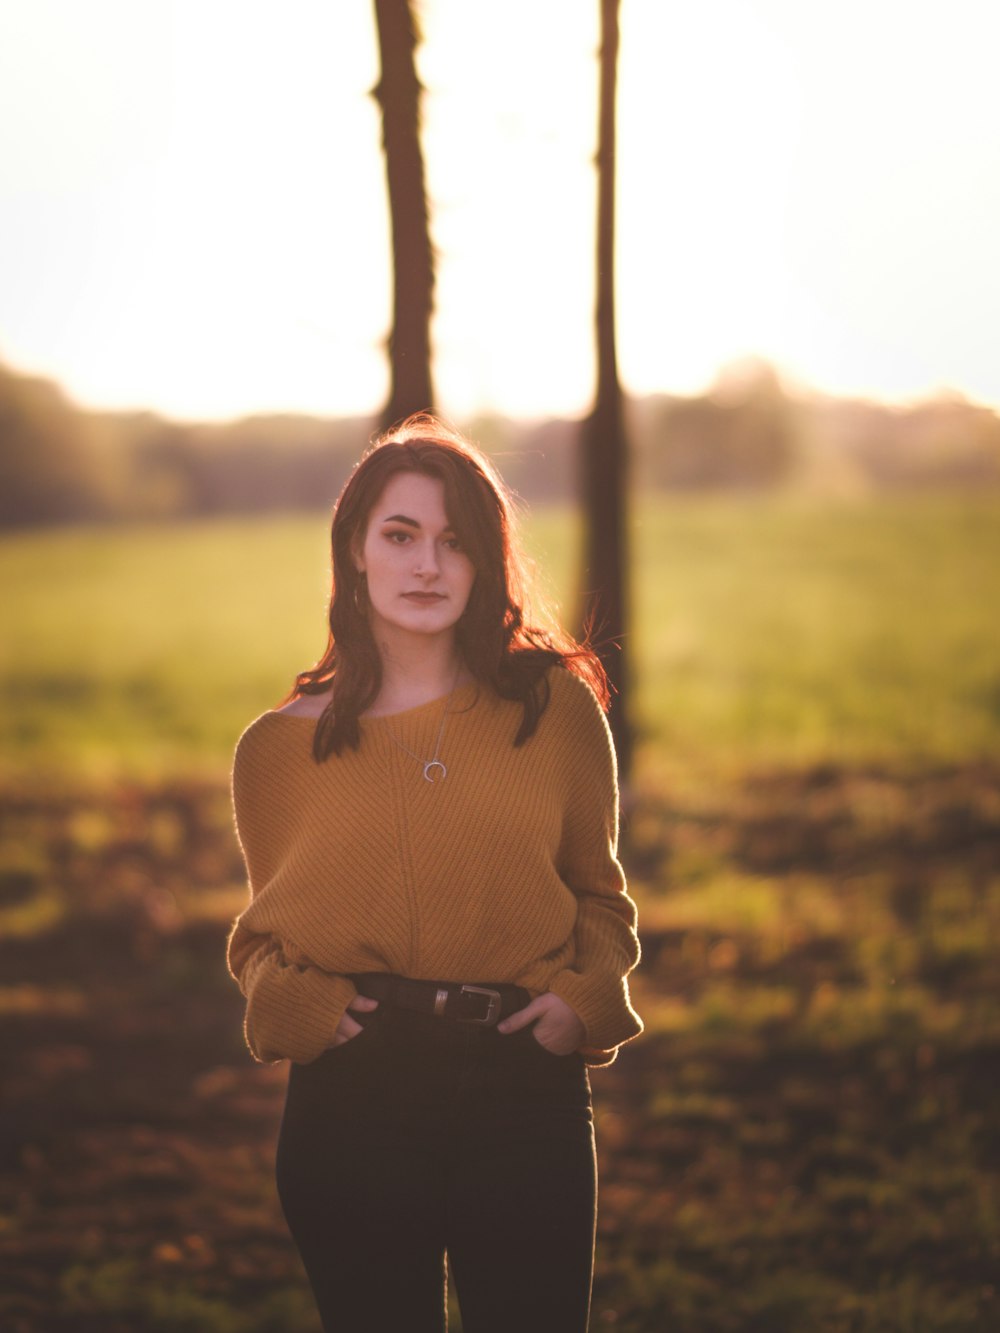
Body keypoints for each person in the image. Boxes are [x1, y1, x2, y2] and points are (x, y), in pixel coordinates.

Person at [227, 415, 642, 1333]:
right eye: (401, 536)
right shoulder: (277, 750)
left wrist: (584, 997)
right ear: (357, 552)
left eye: (455, 542)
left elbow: (601, 902)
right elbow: (260, 940)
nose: (427, 566)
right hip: (354, 1095)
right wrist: (294, 1007)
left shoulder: (556, 711)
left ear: (487, 561)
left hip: (521, 1083)